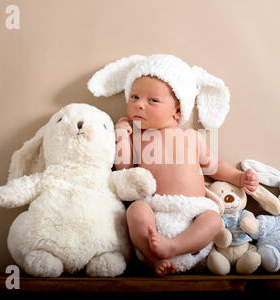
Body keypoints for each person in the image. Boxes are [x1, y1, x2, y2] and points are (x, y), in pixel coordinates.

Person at [88, 54, 259, 275]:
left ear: (177, 111)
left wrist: (238, 177)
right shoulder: (136, 137)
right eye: (134, 97)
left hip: (192, 214)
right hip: (154, 211)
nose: (139, 104)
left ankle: (173, 247)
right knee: (135, 211)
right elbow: (124, 171)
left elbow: (214, 167)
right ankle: (153, 259)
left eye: (153, 100)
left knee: (214, 219)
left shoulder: (191, 137)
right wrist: (121, 135)